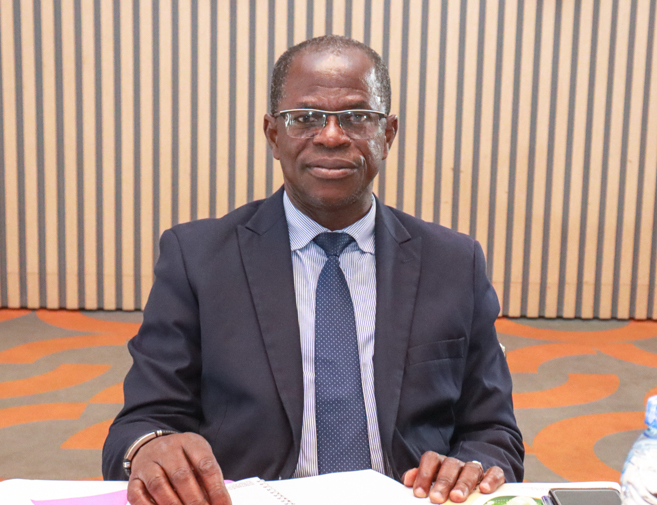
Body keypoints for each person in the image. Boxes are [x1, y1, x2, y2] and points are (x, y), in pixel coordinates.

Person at [102, 35, 524, 505]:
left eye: (357, 117)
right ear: (272, 135)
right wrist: (150, 447)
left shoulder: (454, 263)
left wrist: (471, 467)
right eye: (304, 118)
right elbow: (142, 424)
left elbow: (493, 432)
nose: (331, 136)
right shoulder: (197, 258)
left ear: (388, 134)